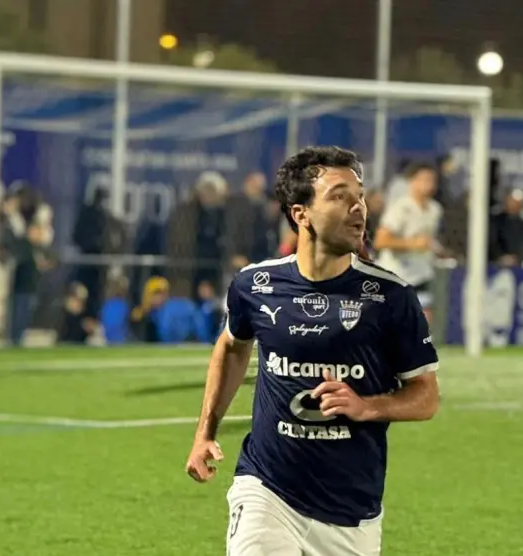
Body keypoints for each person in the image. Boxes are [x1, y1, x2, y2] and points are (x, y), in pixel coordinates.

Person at [184, 146, 440, 556]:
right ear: (300, 213)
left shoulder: (391, 297)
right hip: (266, 488)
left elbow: (426, 396)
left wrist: (366, 406)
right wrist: (204, 433)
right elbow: (231, 347)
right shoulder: (255, 285)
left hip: (351, 511)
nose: (358, 207)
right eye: (340, 196)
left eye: (360, 196)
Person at [373, 161, 443, 318]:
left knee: (424, 318)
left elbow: (428, 239)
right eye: (424, 180)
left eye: (432, 180)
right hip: (396, 274)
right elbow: (380, 241)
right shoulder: (400, 208)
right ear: (412, 182)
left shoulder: (435, 209)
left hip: (421, 273)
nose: (429, 184)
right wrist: (411, 244)